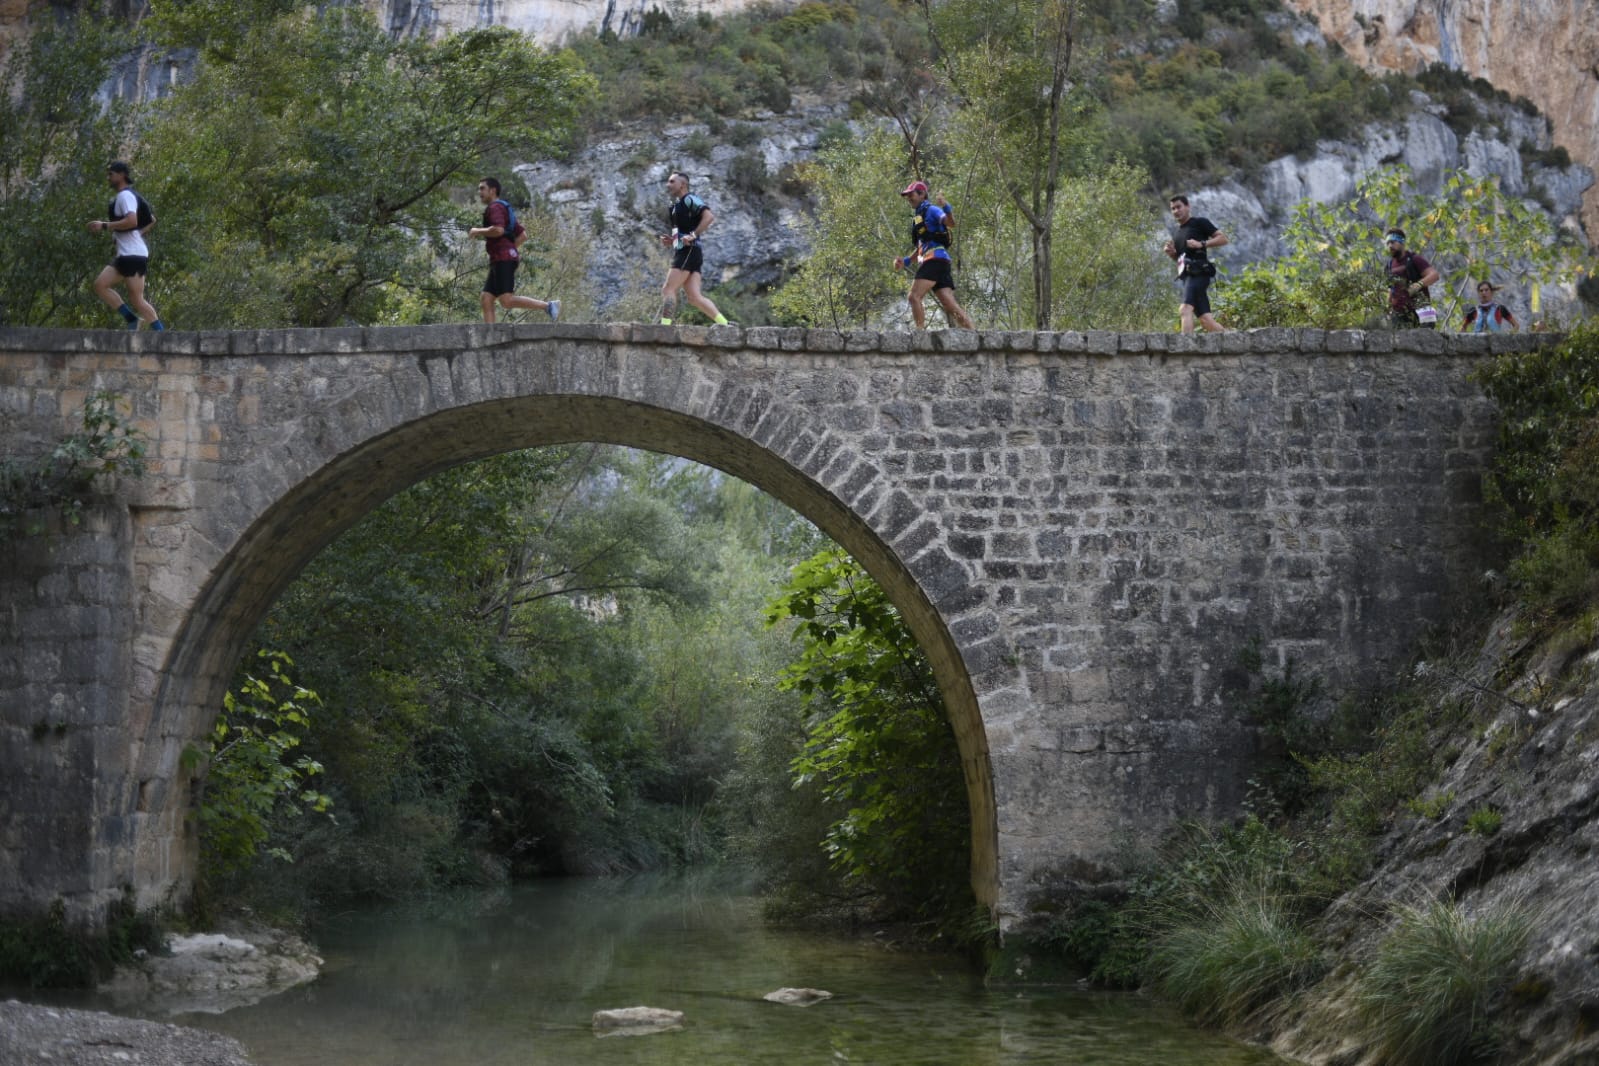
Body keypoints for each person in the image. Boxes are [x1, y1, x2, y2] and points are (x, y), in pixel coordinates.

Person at [470, 177, 559, 324]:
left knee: (506, 300)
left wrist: (477, 231)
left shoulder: (495, 208)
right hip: (501, 258)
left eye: (482, 188)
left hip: (502, 259)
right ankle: (490, 336)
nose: (479, 192)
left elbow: (498, 230)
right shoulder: (504, 208)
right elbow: (523, 236)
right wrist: (509, 250)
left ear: (492, 191)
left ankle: (549, 306)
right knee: (486, 298)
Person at [87, 161, 164, 331]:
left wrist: (105, 225)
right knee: (100, 285)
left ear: (122, 175)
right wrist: (136, 233)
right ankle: (132, 320)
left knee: (137, 300)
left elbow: (132, 220)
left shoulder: (125, 196)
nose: (109, 178)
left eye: (111, 174)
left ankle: (162, 336)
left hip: (134, 255)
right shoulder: (125, 196)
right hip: (125, 254)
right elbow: (151, 220)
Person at [891, 180, 974, 330]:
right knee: (949, 304)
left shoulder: (932, 210)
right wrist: (906, 261)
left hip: (934, 259)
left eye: (912, 195)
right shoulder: (918, 218)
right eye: (907, 196)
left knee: (913, 297)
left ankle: (920, 335)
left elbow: (951, 223)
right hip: (940, 261)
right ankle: (975, 334)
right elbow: (922, 247)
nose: (909, 198)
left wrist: (946, 206)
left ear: (922, 194)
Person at [659, 172, 729, 326]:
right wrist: (671, 241)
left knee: (668, 289)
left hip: (688, 251)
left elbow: (709, 217)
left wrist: (693, 234)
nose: (668, 185)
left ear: (682, 184)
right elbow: (680, 234)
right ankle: (725, 324)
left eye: (671, 181)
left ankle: (664, 327)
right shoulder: (674, 208)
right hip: (689, 252)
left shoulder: (691, 199)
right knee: (694, 297)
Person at [1162, 194, 1226, 333]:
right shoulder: (1177, 234)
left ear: (1187, 206)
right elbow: (1180, 259)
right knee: (1206, 321)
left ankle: (1185, 351)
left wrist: (1201, 243)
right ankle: (1236, 340)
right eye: (1173, 209)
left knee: (1185, 309)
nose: (1176, 211)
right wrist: (1172, 253)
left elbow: (1223, 238)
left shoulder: (1199, 222)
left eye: (1178, 207)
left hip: (1199, 273)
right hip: (1187, 277)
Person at [1383, 228, 1441, 329]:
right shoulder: (1389, 266)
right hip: (1399, 314)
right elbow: (1390, 290)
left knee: (1426, 342)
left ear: (1402, 242)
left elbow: (1434, 275)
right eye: (1387, 243)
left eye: (1392, 242)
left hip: (1422, 310)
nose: (1390, 246)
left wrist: (1419, 284)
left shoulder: (1414, 259)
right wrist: (1387, 308)